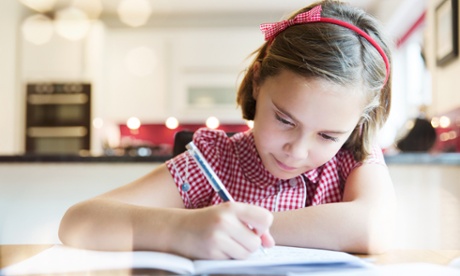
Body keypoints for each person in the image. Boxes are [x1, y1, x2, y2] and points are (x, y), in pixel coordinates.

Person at [59, 0, 396, 260]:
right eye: (284, 120)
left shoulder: (355, 157)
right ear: (256, 83)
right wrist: (183, 229)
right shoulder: (213, 160)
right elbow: (77, 223)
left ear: (358, 124)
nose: (297, 150)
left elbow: (375, 228)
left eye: (327, 136)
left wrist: (244, 230)